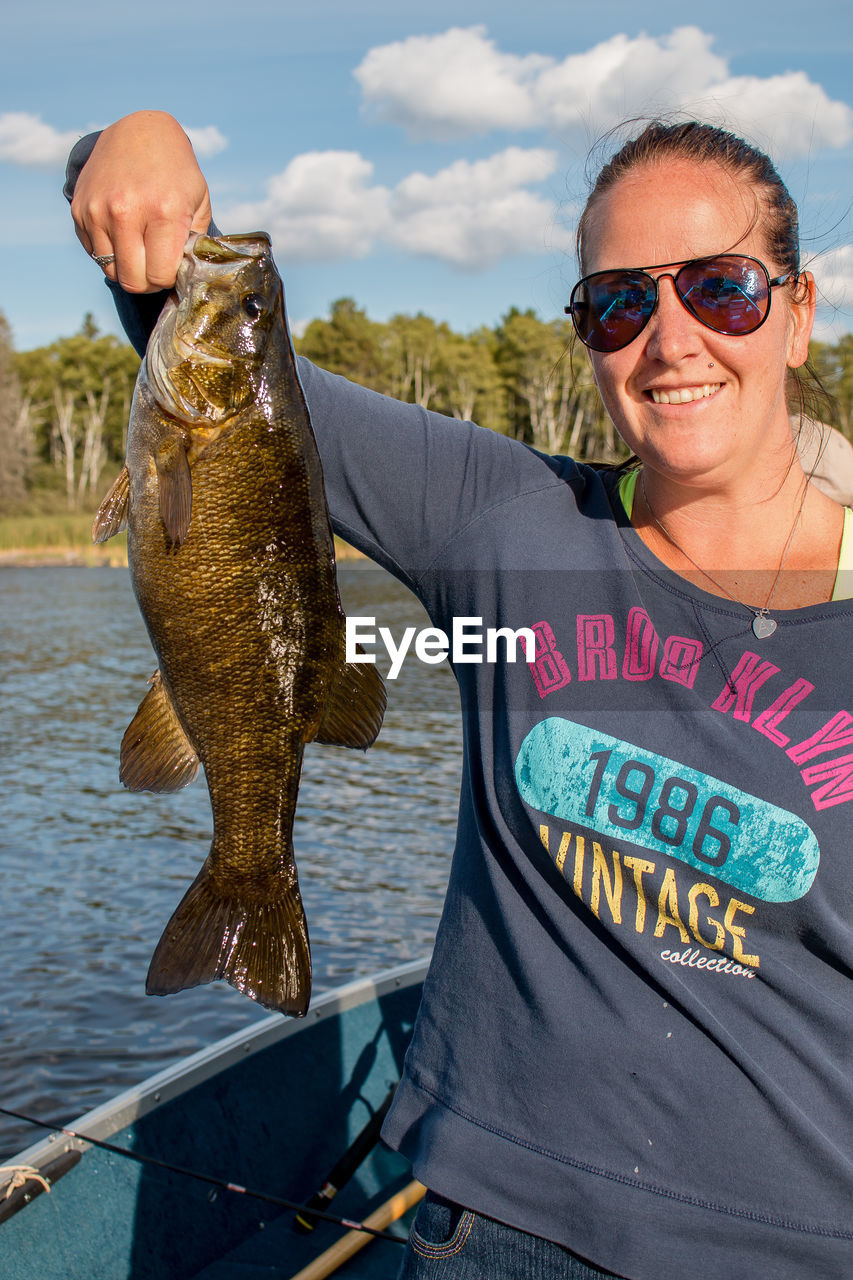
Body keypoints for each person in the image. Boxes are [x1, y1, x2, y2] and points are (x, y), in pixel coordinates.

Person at [66, 112, 852, 1279]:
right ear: (588, 336)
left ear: (797, 312)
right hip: (495, 1222)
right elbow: (233, 384)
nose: (672, 339)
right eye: (620, 302)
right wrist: (127, 145)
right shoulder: (510, 520)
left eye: (723, 289)